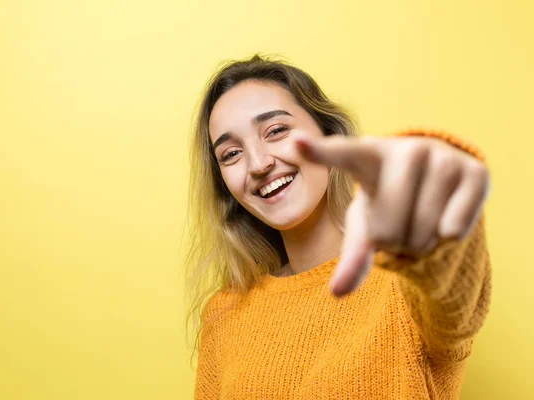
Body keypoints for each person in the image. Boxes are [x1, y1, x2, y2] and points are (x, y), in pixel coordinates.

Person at [185, 54, 491, 399]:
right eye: (230, 154)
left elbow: (455, 291)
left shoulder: (407, 285)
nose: (258, 163)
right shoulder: (225, 313)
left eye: (276, 131)